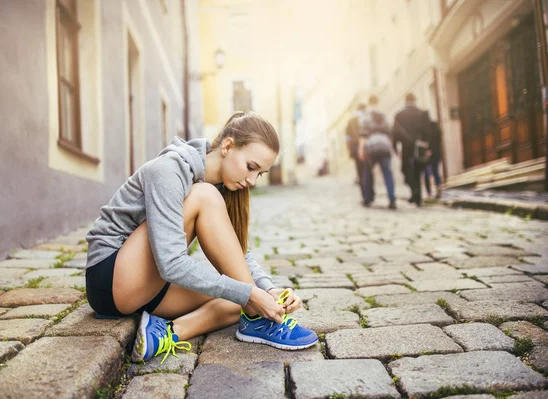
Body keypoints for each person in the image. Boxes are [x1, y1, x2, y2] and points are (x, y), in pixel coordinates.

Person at [84, 112, 318, 364]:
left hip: (148, 285)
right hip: (110, 281)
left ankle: (166, 333)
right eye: (251, 167)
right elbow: (171, 263)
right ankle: (257, 317)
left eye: (259, 173)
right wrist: (251, 293)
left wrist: (267, 289)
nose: (251, 180)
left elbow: (236, 254)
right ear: (227, 146)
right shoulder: (169, 171)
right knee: (243, 292)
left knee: (237, 298)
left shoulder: (223, 187)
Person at [391, 93, 432, 206]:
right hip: (421, 146)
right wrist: (429, 147)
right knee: (418, 171)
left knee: (405, 169)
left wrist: (395, 147)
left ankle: (415, 191)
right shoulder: (423, 114)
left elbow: (395, 133)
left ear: (405, 101)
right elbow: (429, 131)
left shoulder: (399, 115)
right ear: (414, 100)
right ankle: (417, 196)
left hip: (406, 147)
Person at [358, 95, 397, 209]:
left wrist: (361, 150)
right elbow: (390, 134)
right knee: (387, 174)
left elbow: (363, 136)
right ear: (377, 102)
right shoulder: (384, 116)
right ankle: (392, 199)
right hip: (384, 146)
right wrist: (391, 148)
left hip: (371, 147)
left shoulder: (365, 117)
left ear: (369, 103)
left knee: (367, 173)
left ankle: (367, 199)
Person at [345, 103, 369, 198]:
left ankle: (365, 196)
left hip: (355, 147)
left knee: (360, 172)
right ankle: (370, 194)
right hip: (366, 147)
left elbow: (347, 138)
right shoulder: (367, 118)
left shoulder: (351, 121)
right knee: (368, 171)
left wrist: (350, 150)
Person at [423, 120, 443, 199]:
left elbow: (427, 141)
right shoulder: (436, 128)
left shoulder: (426, 128)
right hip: (436, 153)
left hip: (428, 154)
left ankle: (429, 193)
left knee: (427, 173)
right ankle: (438, 187)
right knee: (435, 172)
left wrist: (428, 150)